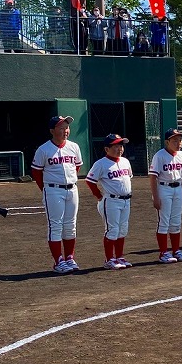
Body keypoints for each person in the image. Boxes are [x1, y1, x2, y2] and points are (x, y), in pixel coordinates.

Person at [31, 115, 84, 273]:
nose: (65, 131)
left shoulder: (74, 147)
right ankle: (58, 261)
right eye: (61, 128)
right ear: (52, 131)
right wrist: (47, 189)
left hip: (72, 189)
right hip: (53, 190)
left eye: (66, 127)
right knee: (55, 226)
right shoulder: (44, 149)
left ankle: (69, 258)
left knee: (70, 226)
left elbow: (76, 167)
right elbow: (36, 172)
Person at [84, 133, 134, 269]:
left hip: (126, 201)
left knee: (122, 230)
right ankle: (109, 259)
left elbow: (128, 178)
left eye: (121, 146)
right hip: (111, 201)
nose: (120, 149)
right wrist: (99, 196)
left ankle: (119, 257)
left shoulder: (125, 162)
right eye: (116, 146)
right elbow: (90, 181)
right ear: (107, 149)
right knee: (112, 230)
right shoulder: (101, 163)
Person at [149, 128, 182, 262]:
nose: (179, 143)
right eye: (175, 140)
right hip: (164, 188)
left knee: (176, 222)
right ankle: (163, 253)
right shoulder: (159, 155)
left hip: (177, 189)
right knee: (164, 222)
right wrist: (155, 197)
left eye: (180, 140)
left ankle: (176, 250)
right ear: (167, 142)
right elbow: (153, 177)